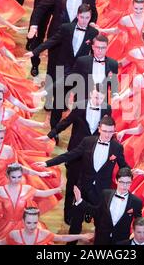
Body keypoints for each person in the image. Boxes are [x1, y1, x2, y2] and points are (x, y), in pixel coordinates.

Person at [35, 116, 129, 243]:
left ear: (114, 131)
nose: (107, 135)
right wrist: (48, 163)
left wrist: (133, 173)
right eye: (105, 131)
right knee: (75, 224)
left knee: (101, 225)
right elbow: (70, 155)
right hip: (83, 188)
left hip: (102, 191)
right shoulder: (87, 141)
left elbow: (124, 167)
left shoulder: (117, 148)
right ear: (99, 129)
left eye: (110, 132)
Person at [40, 84, 111, 224]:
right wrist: (51, 135)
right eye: (96, 97)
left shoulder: (107, 108)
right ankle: (69, 212)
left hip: (95, 152)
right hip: (76, 151)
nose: (98, 100)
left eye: (101, 98)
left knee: (91, 183)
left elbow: (107, 128)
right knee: (72, 182)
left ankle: (88, 210)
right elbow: (66, 122)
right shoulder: (79, 105)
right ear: (91, 94)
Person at [25, 4, 99, 126]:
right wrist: (35, 52)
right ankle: (54, 130)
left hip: (82, 72)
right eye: (82, 17)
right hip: (65, 68)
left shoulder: (93, 33)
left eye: (87, 17)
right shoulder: (66, 28)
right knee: (59, 102)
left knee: (80, 104)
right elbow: (51, 41)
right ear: (77, 16)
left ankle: (78, 130)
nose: (84, 20)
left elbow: (94, 53)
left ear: (91, 17)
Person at [0, 163, 63, 244]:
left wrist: (58, 189)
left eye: (19, 177)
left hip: (24, 226)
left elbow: (43, 193)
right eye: (13, 177)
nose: (16, 180)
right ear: (7, 176)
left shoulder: (27, 188)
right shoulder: (0, 191)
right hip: (4, 227)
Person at [74, 167, 142, 245]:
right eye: (122, 182)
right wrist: (80, 201)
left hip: (121, 241)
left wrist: (135, 235)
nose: (125, 185)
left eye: (128, 183)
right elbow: (96, 212)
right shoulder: (105, 194)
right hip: (101, 238)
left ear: (131, 182)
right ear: (116, 181)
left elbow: (139, 222)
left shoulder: (136, 202)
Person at [0, 207, 93, 245]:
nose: (32, 226)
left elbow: (62, 237)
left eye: (35, 223)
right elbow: (1, 242)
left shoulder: (43, 233)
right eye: (29, 223)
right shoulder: (14, 235)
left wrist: (81, 236)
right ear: (23, 222)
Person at [70, 34, 119, 103]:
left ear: (107, 48)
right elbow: (72, 78)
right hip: (82, 101)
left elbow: (113, 83)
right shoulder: (82, 61)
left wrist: (115, 95)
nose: (100, 50)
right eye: (97, 47)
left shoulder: (113, 64)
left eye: (103, 48)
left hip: (102, 102)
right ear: (93, 47)